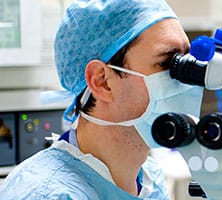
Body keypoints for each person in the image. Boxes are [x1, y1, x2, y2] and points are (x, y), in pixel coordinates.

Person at [0, 0, 203, 199]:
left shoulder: (149, 177)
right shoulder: (47, 194)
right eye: (168, 62)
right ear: (102, 81)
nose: (184, 80)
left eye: (186, 59)